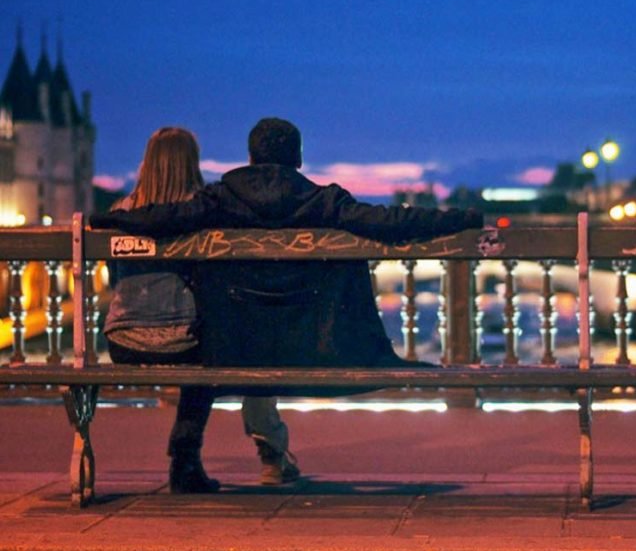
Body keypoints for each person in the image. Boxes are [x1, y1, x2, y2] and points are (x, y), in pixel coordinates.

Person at [92, 117, 483, 376]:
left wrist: (107, 220)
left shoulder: (222, 198)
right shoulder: (320, 200)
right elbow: (389, 222)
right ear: (297, 157)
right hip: (311, 343)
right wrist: (459, 219)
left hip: (238, 341)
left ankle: (190, 457)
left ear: (250, 157)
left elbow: (164, 219)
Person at [102, 127, 298, 493]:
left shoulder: (120, 213)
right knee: (216, 348)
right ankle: (188, 454)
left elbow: (115, 278)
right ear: (192, 163)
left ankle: (192, 456)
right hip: (185, 341)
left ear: (148, 163)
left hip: (123, 339)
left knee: (204, 349)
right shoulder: (205, 214)